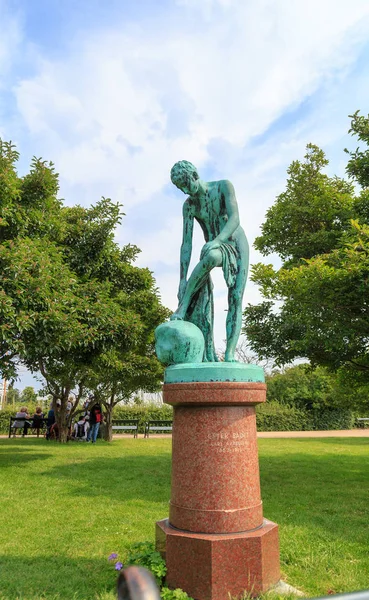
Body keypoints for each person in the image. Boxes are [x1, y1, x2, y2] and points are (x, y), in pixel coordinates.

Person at [170, 160, 249, 362]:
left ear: (195, 175)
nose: (185, 191)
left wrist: (217, 240)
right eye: (181, 188)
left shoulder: (223, 186)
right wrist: (182, 279)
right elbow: (186, 244)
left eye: (186, 184)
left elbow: (234, 219)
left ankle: (230, 353)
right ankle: (184, 305)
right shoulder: (189, 206)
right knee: (212, 257)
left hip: (235, 243)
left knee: (236, 297)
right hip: (213, 247)